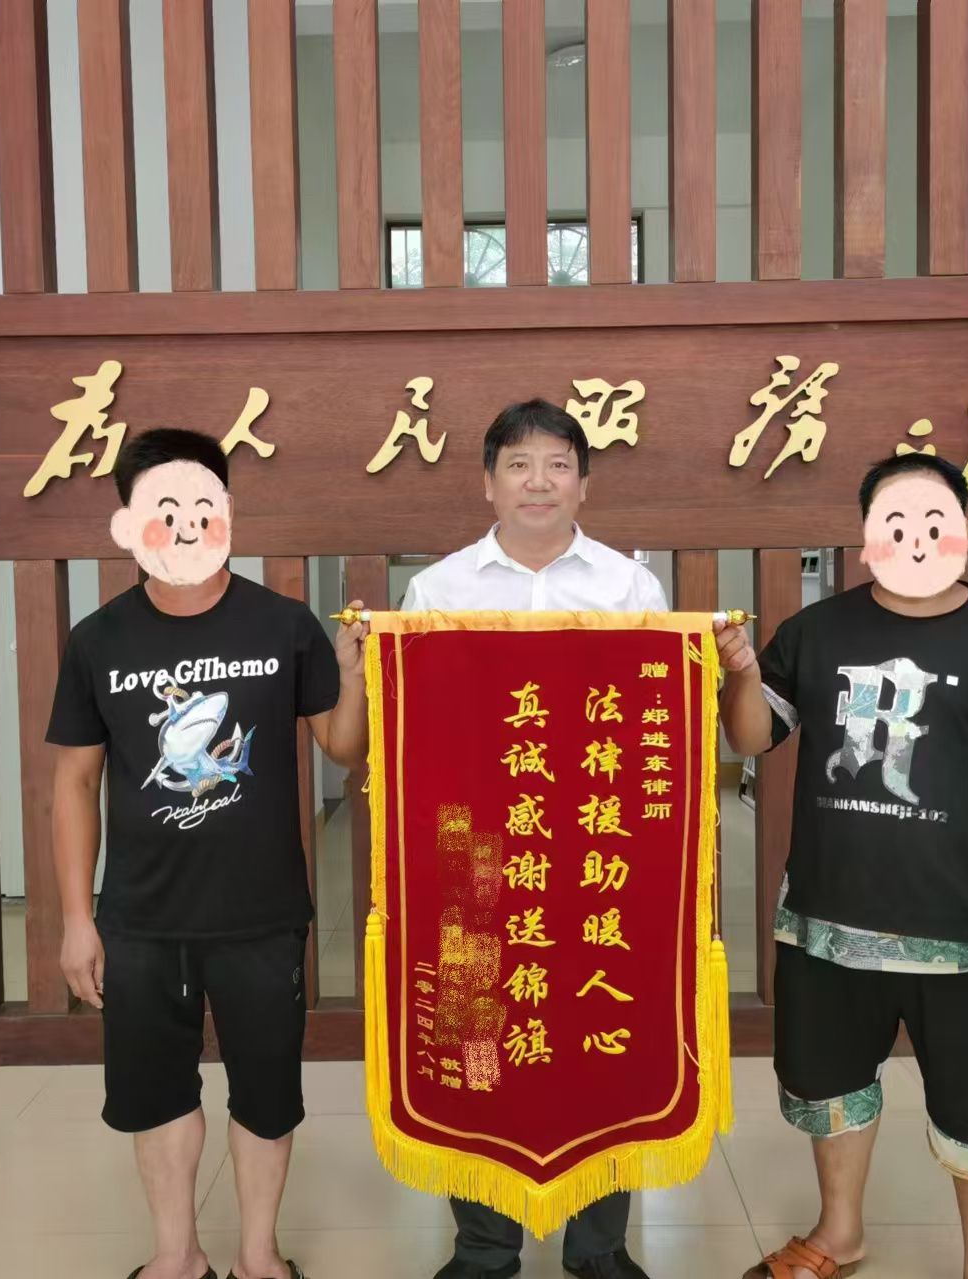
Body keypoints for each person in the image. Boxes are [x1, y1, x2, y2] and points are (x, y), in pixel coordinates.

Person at [715, 452, 968, 1279]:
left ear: (964, 531)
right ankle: (839, 1233)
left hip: (966, 932)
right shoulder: (817, 632)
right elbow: (751, 736)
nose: (916, 536)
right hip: (830, 922)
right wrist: (740, 672)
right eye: (895, 521)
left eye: (934, 520)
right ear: (866, 537)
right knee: (829, 1084)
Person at [48, 427, 368, 1279]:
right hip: (141, 918)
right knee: (155, 1094)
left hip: (261, 912)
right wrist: (78, 919)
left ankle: (259, 1256)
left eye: (198, 504)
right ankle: (177, 1254)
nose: (183, 523)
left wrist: (353, 674)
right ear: (130, 519)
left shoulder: (283, 624)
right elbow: (73, 782)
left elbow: (342, 746)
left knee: (265, 1093)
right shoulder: (99, 639)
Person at [401, 399, 664, 1279]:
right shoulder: (439, 591)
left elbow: (653, 722)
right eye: (519, 464)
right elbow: (415, 728)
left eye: (557, 464)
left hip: (594, 849)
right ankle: (484, 1245)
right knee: (477, 1039)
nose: (538, 481)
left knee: (598, 1030)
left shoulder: (630, 588)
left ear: (584, 482)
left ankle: (599, 1245)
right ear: (488, 482)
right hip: (475, 850)